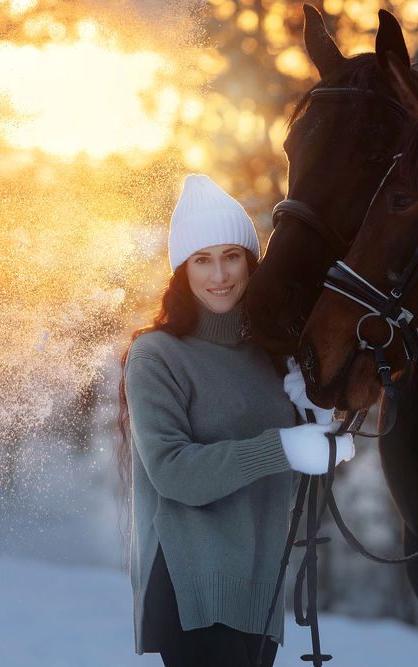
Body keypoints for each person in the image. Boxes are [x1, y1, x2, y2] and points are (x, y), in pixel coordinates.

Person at [116, 174, 355, 666]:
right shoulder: (156, 355)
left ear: (251, 262)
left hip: (260, 592)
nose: (219, 274)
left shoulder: (273, 354)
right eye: (201, 259)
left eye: (231, 255)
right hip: (193, 588)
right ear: (182, 271)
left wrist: (322, 415)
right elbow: (173, 472)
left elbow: (313, 443)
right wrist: (284, 447)